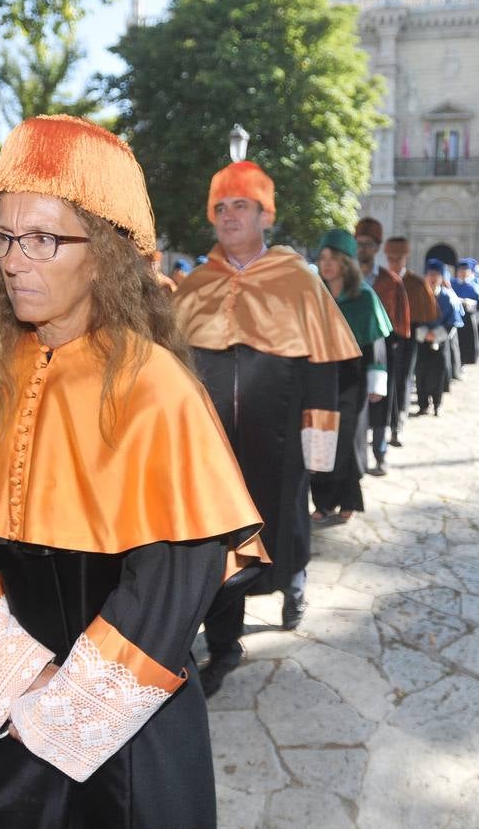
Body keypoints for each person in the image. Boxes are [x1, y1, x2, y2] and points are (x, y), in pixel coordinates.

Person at [0, 115, 265, 826]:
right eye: (3, 238)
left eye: (42, 238)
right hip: (0, 703)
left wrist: (71, 702)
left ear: (104, 253)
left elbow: (175, 575)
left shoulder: (156, 391)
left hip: (129, 710)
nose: (13, 261)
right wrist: (12, 674)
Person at [173, 159, 358, 695]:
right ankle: (224, 644)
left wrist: (318, 445)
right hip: (212, 450)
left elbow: (324, 367)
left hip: (281, 444)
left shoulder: (297, 280)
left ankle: (293, 585)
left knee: (285, 529)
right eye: (221, 208)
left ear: (264, 214)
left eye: (241, 207)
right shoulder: (197, 285)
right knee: (218, 543)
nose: (229, 217)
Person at [311, 229, 391, 523]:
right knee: (319, 436)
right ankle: (321, 500)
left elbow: (375, 344)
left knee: (345, 438)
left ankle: (347, 499)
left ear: (347, 261)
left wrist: (376, 379)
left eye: (333, 258)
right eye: (322, 257)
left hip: (351, 377)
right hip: (318, 375)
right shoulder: (313, 296)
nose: (327, 263)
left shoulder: (364, 298)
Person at [355, 218, 409, 475]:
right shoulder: (344, 279)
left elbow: (400, 321)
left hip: (382, 350)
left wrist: (388, 350)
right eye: (359, 244)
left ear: (377, 248)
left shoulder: (391, 282)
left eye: (368, 244)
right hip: (350, 350)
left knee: (380, 403)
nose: (362, 249)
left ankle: (380, 453)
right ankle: (356, 457)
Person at [384, 237, 438, 445]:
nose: (394, 263)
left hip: (408, 340)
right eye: (390, 259)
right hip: (384, 340)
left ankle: (398, 424)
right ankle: (384, 424)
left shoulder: (417, 283)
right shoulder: (381, 281)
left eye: (398, 259)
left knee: (402, 381)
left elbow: (429, 314)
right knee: (385, 382)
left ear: (405, 258)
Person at [413, 260, 457, 416]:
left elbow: (452, 320)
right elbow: (413, 318)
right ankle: (423, 404)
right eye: (430, 274)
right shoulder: (418, 296)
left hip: (440, 340)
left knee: (438, 373)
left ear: (441, 277)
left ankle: (437, 404)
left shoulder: (447, 297)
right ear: (426, 276)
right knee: (421, 372)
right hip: (422, 339)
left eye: (436, 275)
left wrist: (436, 335)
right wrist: (425, 333)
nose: (433, 278)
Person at [451, 259, 479, 364]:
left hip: (468, 318)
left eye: (465, 270)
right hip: (455, 317)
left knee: (466, 342)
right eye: (461, 270)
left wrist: (470, 303)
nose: (463, 273)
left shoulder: (473, 286)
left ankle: (465, 361)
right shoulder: (452, 284)